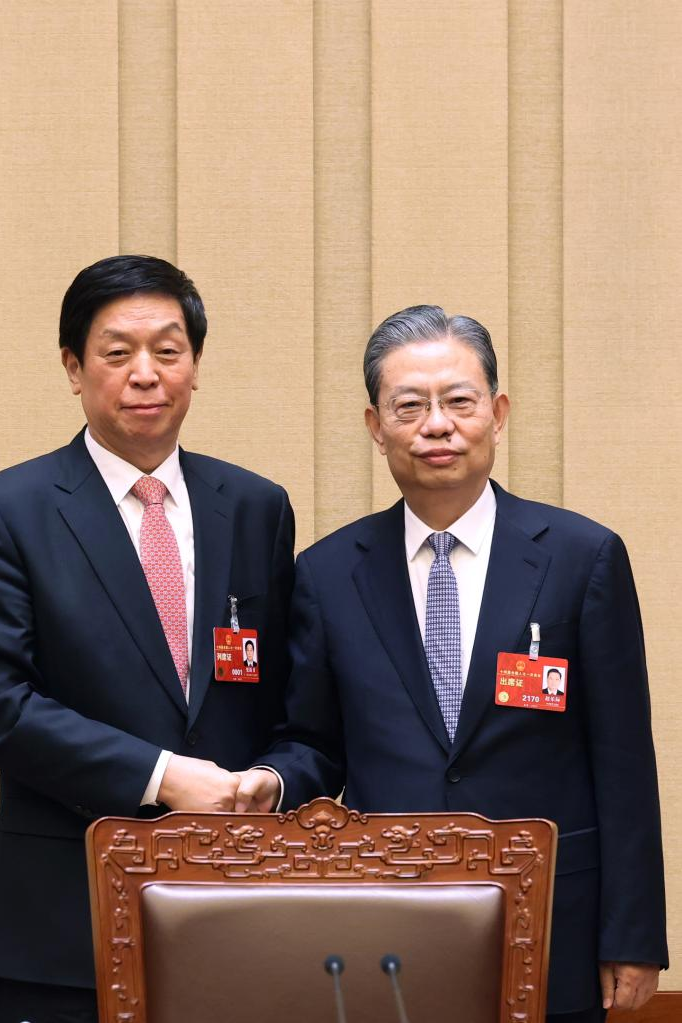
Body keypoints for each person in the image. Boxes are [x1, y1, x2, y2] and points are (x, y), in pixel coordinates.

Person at [237, 305, 667, 1023]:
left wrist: (633, 934)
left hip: (551, 916)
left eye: (459, 401)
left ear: (498, 414)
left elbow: (623, 760)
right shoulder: (327, 573)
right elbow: (315, 741)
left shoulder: (581, 557)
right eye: (409, 406)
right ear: (376, 427)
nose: (436, 425)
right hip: (382, 918)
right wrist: (274, 780)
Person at [0, 255, 294, 1023]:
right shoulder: (5, 512)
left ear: (194, 365)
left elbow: (291, 704)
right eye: (117, 352)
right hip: (67, 917)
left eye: (168, 350)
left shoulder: (256, 507)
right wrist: (164, 776)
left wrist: (274, 778)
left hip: (239, 904)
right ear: (74, 367)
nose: (145, 373)